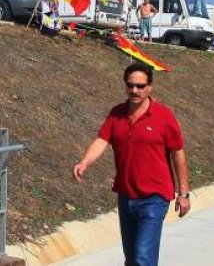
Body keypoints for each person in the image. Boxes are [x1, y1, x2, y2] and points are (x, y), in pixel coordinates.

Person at [72, 61, 191, 266]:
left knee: (143, 258)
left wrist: (184, 193)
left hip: (154, 197)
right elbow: (102, 140)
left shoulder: (163, 116)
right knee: (132, 258)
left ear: (150, 87)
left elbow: (177, 153)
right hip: (126, 197)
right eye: (130, 85)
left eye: (140, 86)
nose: (134, 90)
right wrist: (85, 162)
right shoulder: (117, 113)